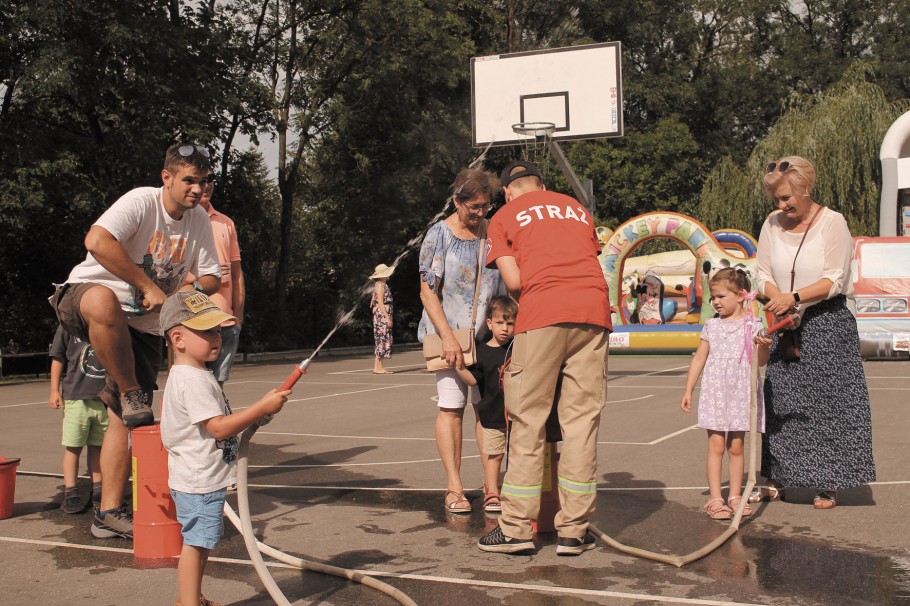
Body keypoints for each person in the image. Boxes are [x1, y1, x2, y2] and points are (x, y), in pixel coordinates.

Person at [49, 143, 222, 539]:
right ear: (167, 177)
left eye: (203, 182)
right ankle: (131, 391)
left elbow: (212, 276)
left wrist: (186, 290)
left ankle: (107, 512)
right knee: (102, 299)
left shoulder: (199, 222)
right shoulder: (142, 201)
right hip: (85, 299)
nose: (196, 190)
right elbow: (96, 241)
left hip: (144, 325)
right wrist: (145, 284)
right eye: (189, 181)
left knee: (121, 419)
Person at [478, 160, 611, 556]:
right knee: (581, 422)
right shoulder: (576, 209)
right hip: (593, 313)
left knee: (527, 420)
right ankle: (573, 530)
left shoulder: (503, 216)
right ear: (542, 185)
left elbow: (515, 281)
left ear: (507, 191)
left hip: (541, 316)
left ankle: (517, 528)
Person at [752, 156, 875, 509]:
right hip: (782, 320)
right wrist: (779, 301)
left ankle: (827, 481)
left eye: (787, 197)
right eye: (776, 199)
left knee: (827, 404)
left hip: (826, 322)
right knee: (781, 401)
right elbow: (763, 273)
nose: (782, 205)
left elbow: (835, 278)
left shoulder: (833, 222)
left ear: (806, 188)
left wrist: (795, 300)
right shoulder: (772, 224)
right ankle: (777, 477)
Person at [159, 291, 290, 606]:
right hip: (199, 481)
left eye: (218, 330)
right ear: (178, 338)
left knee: (200, 543)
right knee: (196, 545)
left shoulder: (196, 375)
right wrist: (259, 407)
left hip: (199, 477)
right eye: (206, 331)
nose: (217, 337)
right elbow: (217, 427)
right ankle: (188, 602)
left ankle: (192, 598)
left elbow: (220, 424)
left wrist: (260, 412)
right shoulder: (192, 380)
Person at [418, 167, 504, 514]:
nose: (481, 213)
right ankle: (454, 488)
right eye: (474, 207)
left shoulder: (495, 233)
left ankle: (492, 487)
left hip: (489, 339)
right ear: (457, 202)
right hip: (448, 338)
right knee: (451, 409)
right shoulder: (438, 235)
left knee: (488, 412)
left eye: (485, 206)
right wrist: (448, 338)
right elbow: (427, 292)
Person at [680, 268, 770, 519]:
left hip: (741, 392)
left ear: (741, 296)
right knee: (716, 444)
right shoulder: (711, 326)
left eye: (721, 296)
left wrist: (763, 347)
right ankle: (715, 499)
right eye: (713, 298)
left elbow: (761, 361)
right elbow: (699, 358)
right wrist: (688, 389)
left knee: (737, 446)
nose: (716, 302)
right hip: (716, 392)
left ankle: (735, 496)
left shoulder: (754, 325)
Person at [454, 295, 517, 514]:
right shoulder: (482, 351)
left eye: (510, 323)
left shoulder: (517, 348)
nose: (505, 328)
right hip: (492, 414)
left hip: (517, 413)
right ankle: (491, 489)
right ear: (489, 323)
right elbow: (473, 380)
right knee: (495, 454)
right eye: (500, 322)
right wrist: (459, 367)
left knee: (519, 452)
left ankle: (516, 489)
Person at [184, 168, 245, 386]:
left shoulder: (225, 223)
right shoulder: (181, 219)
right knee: (191, 383)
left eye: (210, 179)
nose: (206, 185)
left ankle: (217, 419)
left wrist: (237, 315)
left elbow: (236, 273)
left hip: (225, 320)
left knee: (217, 386)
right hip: (191, 319)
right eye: (200, 180)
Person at [48, 324, 109, 514]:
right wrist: (54, 390)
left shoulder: (106, 322)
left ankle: (98, 490)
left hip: (104, 398)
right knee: (73, 447)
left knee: (97, 447)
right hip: (76, 397)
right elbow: (57, 358)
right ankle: (71, 492)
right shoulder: (68, 325)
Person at [369, 263, 395, 374]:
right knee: (381, 338)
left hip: (381, 313)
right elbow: (380, 302)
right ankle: (378, 367)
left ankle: (378, 367)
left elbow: (374, 302)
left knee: (381, 338)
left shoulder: (381, 284)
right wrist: (387, 317)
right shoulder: (380, 285)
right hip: (382, 315)